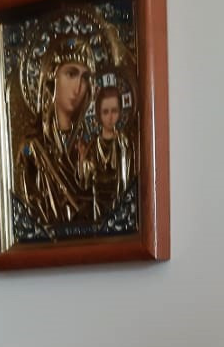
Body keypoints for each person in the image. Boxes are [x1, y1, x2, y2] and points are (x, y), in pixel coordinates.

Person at [13, 34, 96, 227]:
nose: (78, 87)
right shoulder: (31, 149)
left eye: (85, 78)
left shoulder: (93, 144)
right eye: (71, 74)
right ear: (53, 78)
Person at [82, 83, 136, 222]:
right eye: (105, 112)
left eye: (114, 111)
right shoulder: (93, 145)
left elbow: (127, 177)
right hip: (97, 204)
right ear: (98, 114)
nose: (110, 117)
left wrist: (121, 202)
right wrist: (83, 162)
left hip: (118, 201)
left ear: (120, 112)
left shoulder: (123, 142)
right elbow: (85, 180)